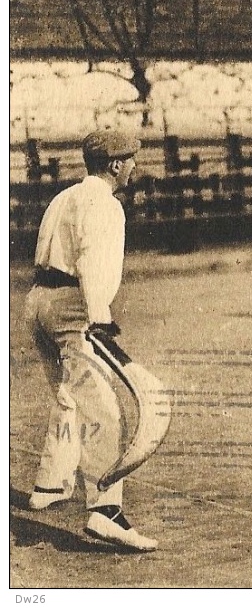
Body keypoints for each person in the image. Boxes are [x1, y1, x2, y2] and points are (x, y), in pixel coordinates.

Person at [22, 129, 159, 551]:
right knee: (106, 410)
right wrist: (99, 318)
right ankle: (105, 513)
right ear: (116, 165)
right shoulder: (105, 205)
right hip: (71, 308)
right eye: (131, 159)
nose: (135, 166)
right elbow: (92, 262)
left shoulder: (64, 196)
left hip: (37, 303)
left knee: (68, 396)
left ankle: (50, 484)